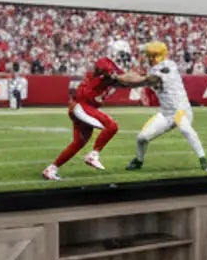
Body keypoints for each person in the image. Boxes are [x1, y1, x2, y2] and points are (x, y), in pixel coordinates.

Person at [44, 40, 147, 180]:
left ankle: (51, 169)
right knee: (111, 126)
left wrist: (144, 80)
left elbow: (127, 82)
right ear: (115, 53)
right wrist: (142, 78)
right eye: (123, 55)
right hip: (82, 105)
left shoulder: (115, 71)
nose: (124, 59)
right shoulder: (104, 63)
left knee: (79, 142)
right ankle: (93, 155)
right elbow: (118, 75)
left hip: (85, 107)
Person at [125, 40, 207, 173]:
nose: (148, 59)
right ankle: (138, 160)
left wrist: (124, 79)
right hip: (166, 113)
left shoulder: (167, 67)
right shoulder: (159, 67)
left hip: (181, 110)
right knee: (142, 138)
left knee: (186, 129)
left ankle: (203, 159)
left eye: (150, 56)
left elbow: (150, 79)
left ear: (156, 57)